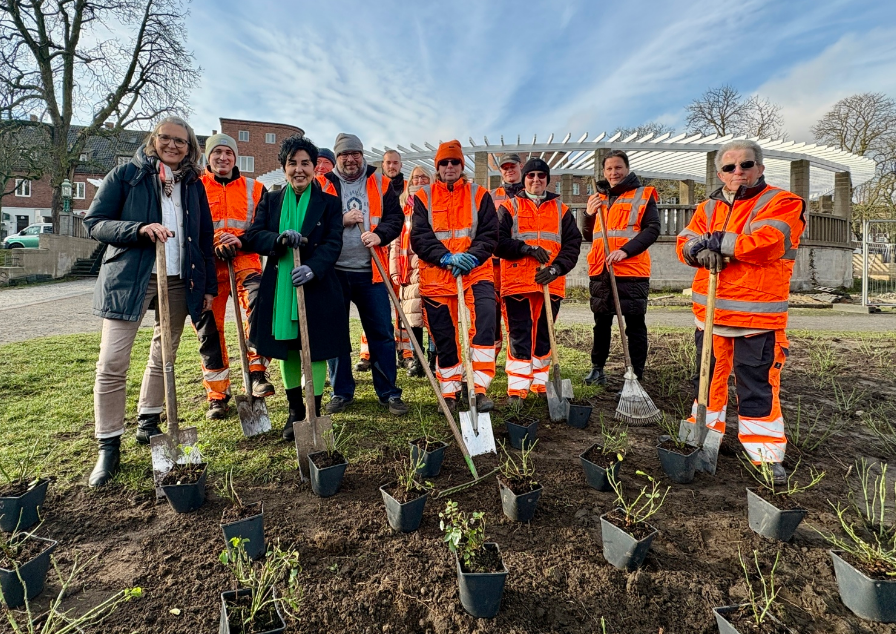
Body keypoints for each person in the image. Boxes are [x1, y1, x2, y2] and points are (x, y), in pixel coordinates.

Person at [84, 116, 216, 487]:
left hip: (178, 279)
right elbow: (94, 222)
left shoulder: (192, 186)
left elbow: (204, 238)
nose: (173, 146)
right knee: (112, 361)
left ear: (190, 148)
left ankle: (148, 419)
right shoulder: (127, 175)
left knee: (165, 354)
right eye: (166, 139)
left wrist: (206, 286)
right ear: (153, 139)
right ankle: (108, 445)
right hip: (131, 277)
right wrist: (138, 230)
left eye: (181, 142)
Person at [677, 139, 805, 481]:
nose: (738, 173)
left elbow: (769, 243)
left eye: (746, 165)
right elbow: (684, 240)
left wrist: (716, 243)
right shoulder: (707, 207)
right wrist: (695, 250)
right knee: (706, 382)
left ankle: (765, 455)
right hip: (711, 316)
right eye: (730, 167)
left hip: (756, 318)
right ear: (720, 172)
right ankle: (702, 437)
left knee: (757, 385)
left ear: (760, 168)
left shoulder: (782, 202)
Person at [242, 135, 351, 440]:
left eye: (305, 163)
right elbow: (254, 235)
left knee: (314, 351)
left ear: (315, 168)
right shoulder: (272, 200)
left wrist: (313, 267)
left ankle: (313, 411)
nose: (299, 169)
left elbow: (333, 243)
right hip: (280, 289)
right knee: (289, 351)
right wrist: (277, 240)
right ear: (284, 167)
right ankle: (295, 413)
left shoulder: (329, 203)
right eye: (293, 163)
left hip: (317, 287)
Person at [320, 133, 408, 415]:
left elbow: (396, 219)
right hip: (333, 272)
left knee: (381, 333)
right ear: (337, 157)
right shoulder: (322, 184)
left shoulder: (380, 182)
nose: (350, 159)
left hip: (372, 273)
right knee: (335, 334)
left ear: (362, 155)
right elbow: (314, 221)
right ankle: (341, 392)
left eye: (354, 153)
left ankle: (389, 392)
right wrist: (340, 221)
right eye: (344, 154)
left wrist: (380, 236)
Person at [411, 140, 499, 412]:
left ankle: (478, 388)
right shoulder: (423, 196)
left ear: (462, 165)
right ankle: (449, 392)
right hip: (438, 279)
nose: (450, 167)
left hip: (475, 275)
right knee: (445, 337)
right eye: (444, 163)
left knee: (484, 325)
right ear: (437, 167)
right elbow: (420, 237)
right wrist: (445, 257)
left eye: (455, 162)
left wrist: (472, 256)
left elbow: (489, 233)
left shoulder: (479, 194)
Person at [196, 134, 273, 420]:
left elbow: (263, 229)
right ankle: (217, 395)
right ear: (208, 157)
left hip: (245, 261)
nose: (223, 158)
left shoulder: (256, 188)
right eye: (217, 153)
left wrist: (239, 240)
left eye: (229, 153)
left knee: (258, 305)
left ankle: (257, 372)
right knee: (208, 331)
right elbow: (190, 226)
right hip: (207, 266)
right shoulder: (195, 187)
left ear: (236, 157)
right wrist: (217, 239)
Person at [495, 158, 582, 405]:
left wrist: (556, 268)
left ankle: (541, 382)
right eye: (531, 175)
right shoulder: (510, 207)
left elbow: (572, 245)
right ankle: (518, 387)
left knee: (544, 334)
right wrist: (526, 248)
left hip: (550, 283)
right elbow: (498, 242)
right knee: (519, 333)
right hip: (517, 281)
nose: (536, 180)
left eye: (541, 175)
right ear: (524, 179)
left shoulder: (561, 209)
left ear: (547, 179)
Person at [582, 150, 660, 387]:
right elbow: (589, 234)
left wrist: (626, 250)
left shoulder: (642, 195)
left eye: (618, 168)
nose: (613, 173)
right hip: (601, 269)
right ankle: (597, 368)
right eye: (609, 169)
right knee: (601, 323)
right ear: (603, 172)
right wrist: (588, 214)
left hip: (631, 270)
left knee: (635, 324)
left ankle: (635, 374)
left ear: (627, 169)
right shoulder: (598, 197)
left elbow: (652, 229)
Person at [353, 149, 407, 373]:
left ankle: (407, 352)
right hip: (378, 255)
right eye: (388, 163)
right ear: (382, 165)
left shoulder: (407, 190)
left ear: (400, 165)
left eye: (396, 163)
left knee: (402, 309)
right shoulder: (373, 186)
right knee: (374, 312)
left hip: (400, 254)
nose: (392, 166)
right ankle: (366, 353)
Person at [390, 165, 432, 377]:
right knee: (413, 319)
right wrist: (395, 268)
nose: (419, 180)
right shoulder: (403, 207)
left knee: (434, 317)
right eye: (416, 177)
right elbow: (396, 241)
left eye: (424, 177)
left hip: (431, 266)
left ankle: (434, 360)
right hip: (409, 269)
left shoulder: (436, 203)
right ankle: (418, 359)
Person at [489, 153, 524, 354]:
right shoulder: (491, 197)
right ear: (500, 171)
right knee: (491, 314)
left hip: (520, 262)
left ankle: (517, 357)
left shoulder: (530, 194)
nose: (509, 170)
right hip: (494, 265)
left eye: (513, 166)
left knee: (516, 314)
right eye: (505, 167)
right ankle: (490, 359)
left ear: (520, 167)